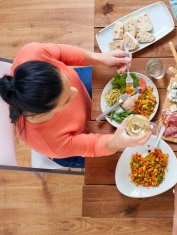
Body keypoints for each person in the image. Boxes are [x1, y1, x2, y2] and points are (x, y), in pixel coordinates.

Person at [0, 43, 151, 166]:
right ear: (43, 113)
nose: (75, 91)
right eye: (66, 100)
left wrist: (98, 57)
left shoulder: (32, 54)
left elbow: (60, 52)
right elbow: (92, 146)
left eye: (64, 78)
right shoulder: (50, 142)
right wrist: (115, 142)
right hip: (72, 147)